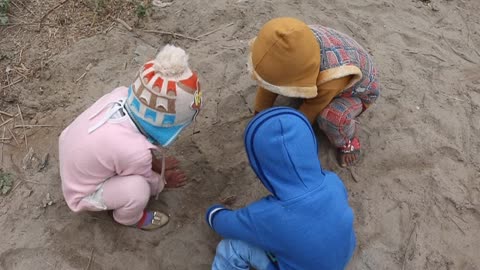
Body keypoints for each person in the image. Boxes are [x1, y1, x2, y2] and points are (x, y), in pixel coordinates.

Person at [59, 45, 203, 230]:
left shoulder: (121, 94)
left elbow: (133, 150)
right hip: (81, 192)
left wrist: (157, 165)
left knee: (126, 157)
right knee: (138, 189)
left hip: (71, 149)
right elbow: (148, 180)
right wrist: (164, 181)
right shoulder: (136, 152)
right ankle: (129, 218)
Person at [206, 107, 356, 270]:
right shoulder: (332, 182)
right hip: (341, 258)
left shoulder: (266, 214)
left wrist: (214, 212)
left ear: (261, 168)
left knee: (232, 247)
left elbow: (225, 225)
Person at [249, 17, 380, 167]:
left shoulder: (332, 77)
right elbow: (268, 82)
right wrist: (259, 114)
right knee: (276, 75)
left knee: (332, 118)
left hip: (358, 92)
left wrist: (288, 141)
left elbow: (310, 111)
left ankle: (348, 140)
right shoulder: (293, 41)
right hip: (337, 54)